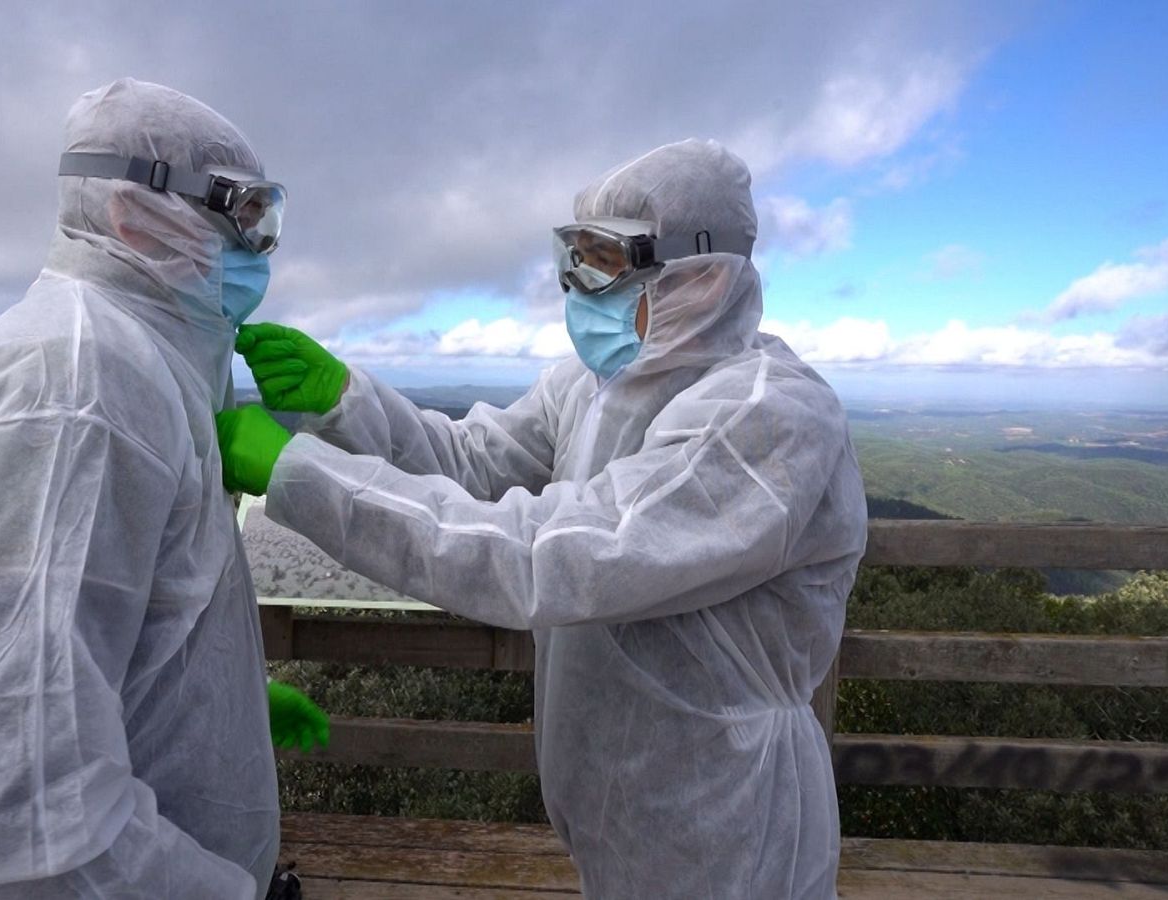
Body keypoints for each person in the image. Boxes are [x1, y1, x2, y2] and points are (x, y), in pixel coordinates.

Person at [216, 139, 867, 899]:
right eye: (573, 258)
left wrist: (298, 474)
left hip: (728, 822)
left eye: (603, 262)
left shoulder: (768, 418)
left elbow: (549, 557)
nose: (578, 290)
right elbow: (471, 466)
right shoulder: (594, 385)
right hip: (621, 812)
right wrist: (343, 402)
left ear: (703, 273)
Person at [0, 78, 325, 900]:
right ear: (132, 212)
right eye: (241, 213)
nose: (258, 248)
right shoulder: (74, 387)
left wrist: (222, 695)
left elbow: (102, 626)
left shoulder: (136, 361)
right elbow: (20, 813)